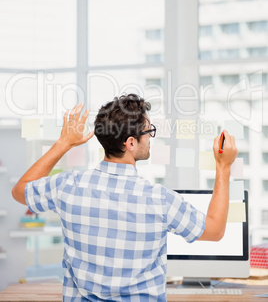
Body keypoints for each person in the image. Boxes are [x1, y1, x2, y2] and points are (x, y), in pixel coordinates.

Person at [12, 94, 238, 301]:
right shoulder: (159, 200)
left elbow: (20, 191)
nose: (150, 138)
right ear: (130, 143)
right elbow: (215, 230)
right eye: (148, 132)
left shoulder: (68, 186)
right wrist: (223, 167)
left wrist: (64, 143)